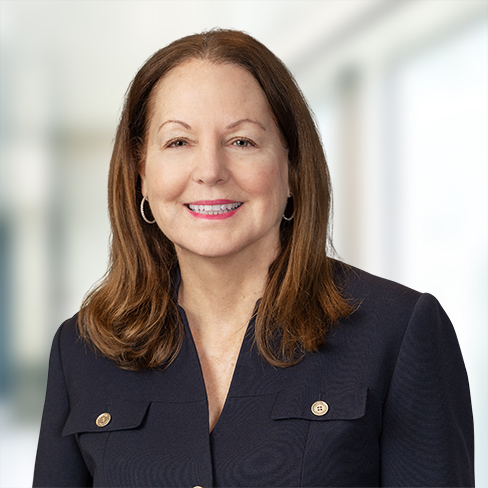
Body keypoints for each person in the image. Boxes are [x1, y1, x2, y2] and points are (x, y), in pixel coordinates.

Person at [33, 29, 474, 487]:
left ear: (294, 168)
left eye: (242, 141)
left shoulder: (398, 333)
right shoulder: (82, 350)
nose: (209, 172)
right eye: (178, 142)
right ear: (142, 174)